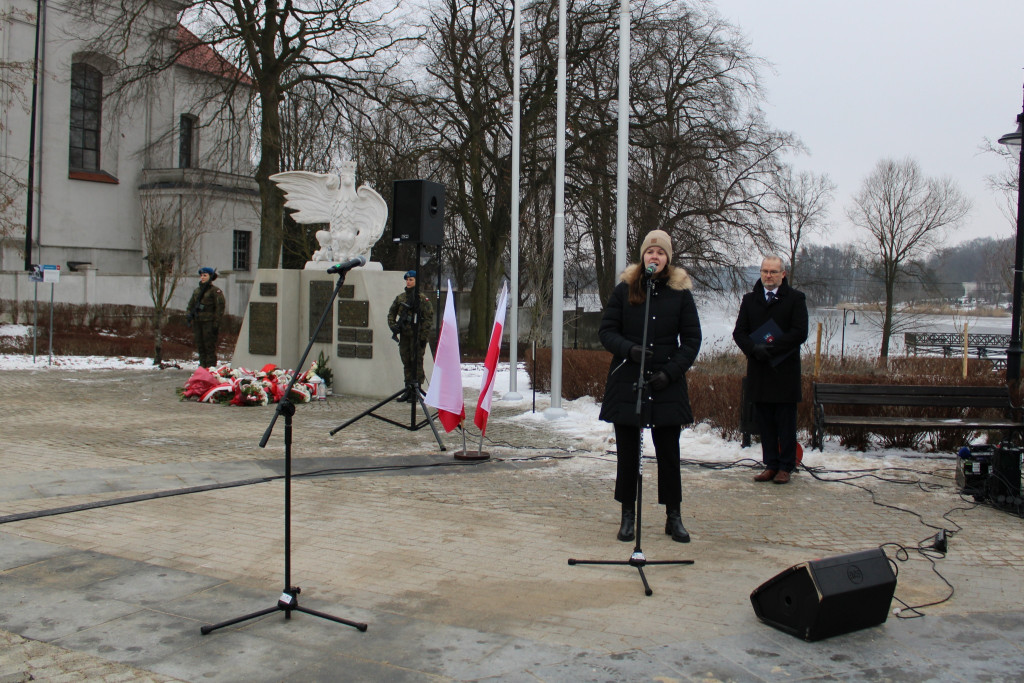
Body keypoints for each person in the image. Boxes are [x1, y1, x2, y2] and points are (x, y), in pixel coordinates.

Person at [598, 229, 702, 543]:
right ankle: (628, 516)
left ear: (668, 258)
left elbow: (692, 340)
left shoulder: (681, 294)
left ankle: (674, 516)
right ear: (642, 256)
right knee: (628, 453)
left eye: (660, 252)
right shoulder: (625, 289)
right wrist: (629, 349)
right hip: (629, 379)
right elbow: (606, 331)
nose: (653, 256)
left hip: (666, 383)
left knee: (669, 452)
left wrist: (670, 372)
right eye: (649, 252)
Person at [732, 255, 808, 485]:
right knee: (764, 422)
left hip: (784, 372)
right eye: (765, 271)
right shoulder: (750, 300)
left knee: (785, 422)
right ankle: (770, 464)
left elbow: (799, 332)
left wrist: (771, 349)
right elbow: (739, 332)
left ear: (783, 274)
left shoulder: (795, 299)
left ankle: (786, 466)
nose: (768, 275)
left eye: (773, 272)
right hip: (760, 370)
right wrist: (755, 350)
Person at [388, 270, 434, 401]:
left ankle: (416, 389)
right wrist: (393, 326)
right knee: (406, 361)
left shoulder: (422, 299)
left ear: (416, 281)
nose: (408, 282)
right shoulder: (401, 298)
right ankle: (408, 389)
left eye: (411, 280)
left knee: (417, 362)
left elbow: (428, 318)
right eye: (407, 280)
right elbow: (391, 313)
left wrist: (422, 337)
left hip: (417, 336)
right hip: (404, 335)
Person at [186, 266, 226, 369]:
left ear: (211, 277)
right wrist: (189, 315)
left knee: (209, 347)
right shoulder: (197, 291)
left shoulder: (215, 291)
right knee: (200, 346)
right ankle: (202, 367)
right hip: (198, 322)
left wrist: (216, 323)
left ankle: (210, 368)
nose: (202, 277)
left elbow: (219, 308)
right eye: (201, 275)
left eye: (205, 275)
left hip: (209, 323)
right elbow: (191, 305)